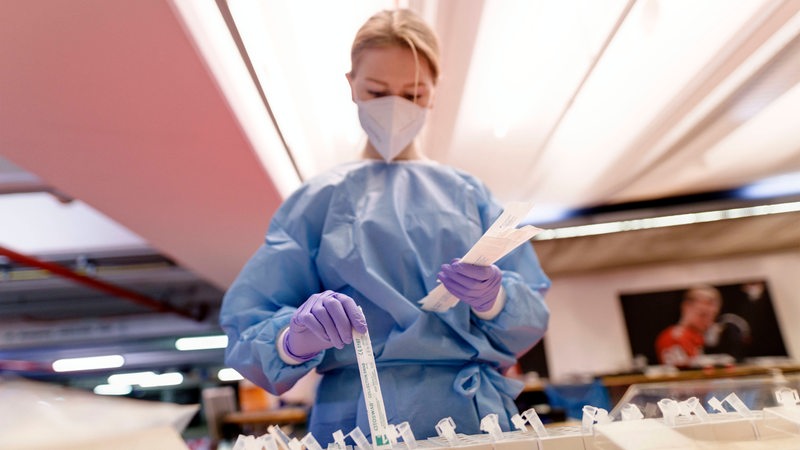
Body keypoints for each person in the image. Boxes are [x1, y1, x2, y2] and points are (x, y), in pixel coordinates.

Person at [219, 9, 550, 443]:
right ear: (351, 84)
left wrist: (496, 298)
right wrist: (293, 339)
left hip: (472, 418)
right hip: (359, 416)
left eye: (412, 94)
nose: (395, 108)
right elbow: (248, 327)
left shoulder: (469, 194)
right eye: (377, 91)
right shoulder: (318, 202)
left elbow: (529, 319)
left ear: (434, 94)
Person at [655, 285, 722, 367]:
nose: (709, 321)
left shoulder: (701, 338)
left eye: (713, 315)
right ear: (687, 307)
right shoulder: (672, 337)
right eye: (703, 314)